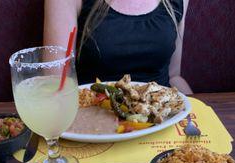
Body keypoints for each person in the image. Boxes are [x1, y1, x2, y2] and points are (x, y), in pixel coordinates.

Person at [44, 0, 192, 94]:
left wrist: (199, 111)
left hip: (160, 117)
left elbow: (174, 76)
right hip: (93, 116)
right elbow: (56, 83)